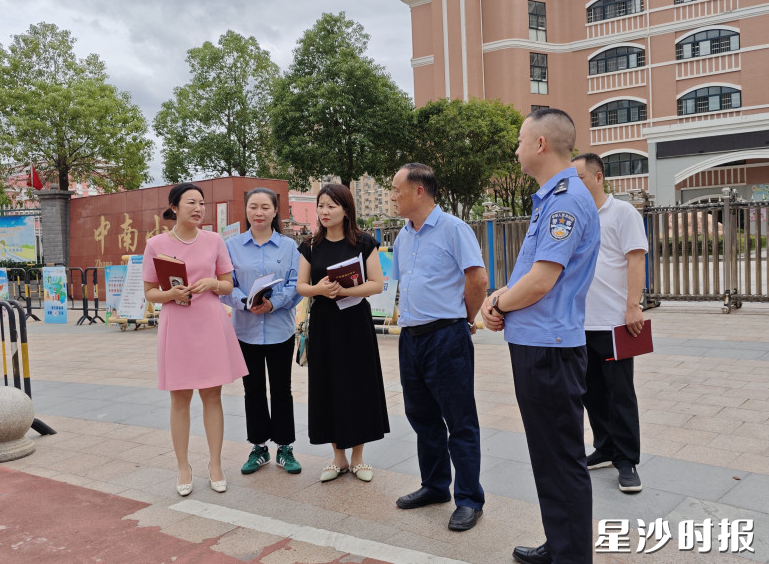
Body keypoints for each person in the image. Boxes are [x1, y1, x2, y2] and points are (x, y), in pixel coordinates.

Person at [481, 109, 600, 564]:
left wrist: (497, 304)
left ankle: (571, 556)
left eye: (519, 139)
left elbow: (542, 281)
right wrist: (503, 297)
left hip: (549, 349)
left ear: (541, 144)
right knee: (549, 455)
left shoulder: (565, 200)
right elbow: (531, 275)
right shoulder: (553, 197)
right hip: (539, 343)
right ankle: (562, 543)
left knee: (561, 458)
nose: (515, 148)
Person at [391, 163, 488, 533]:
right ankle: (434, 486)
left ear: (419, 191)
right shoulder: (403, 236)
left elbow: (477, 278)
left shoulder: (454, 229)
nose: (393, 195)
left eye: (397, 189)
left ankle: (469, 499)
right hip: (411, 338)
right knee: (422, 417)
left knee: (459, 421)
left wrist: (464, 319)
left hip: (447, 337)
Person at [143, 182, 248, 497]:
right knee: (179, 398)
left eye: (201, 203)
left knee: (212, 395)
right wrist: (170, 294)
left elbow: (229, 285)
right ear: (174, 207)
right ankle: (183, 467)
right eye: (191, 202)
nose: (198, 208)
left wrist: (212, 283)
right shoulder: (156, 244)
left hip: (210, 322)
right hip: (177, 324)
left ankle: (215, 464)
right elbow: (149, 291)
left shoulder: (214, 240)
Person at [296, 183, 389, 483]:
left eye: (331, 206)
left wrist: (349, 289)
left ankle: (359, 458)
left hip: (355, 324)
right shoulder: (310, 246)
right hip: (324, 325)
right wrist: (320, 290)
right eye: (321, 205)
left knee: (358, 385)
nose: (324, 211)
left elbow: (377, 283)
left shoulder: (363, 242)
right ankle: (338, 458)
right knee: (329, 385)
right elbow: (301, 287)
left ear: (346, 209)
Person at [572, 153, 648, 494]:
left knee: (620, 394)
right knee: (590, 392)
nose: (575, 185)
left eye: (581, 178)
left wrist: (633, 306)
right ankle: (604, 446)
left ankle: (627, 460)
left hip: (614, 322)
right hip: (578, 323)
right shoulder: (575, 216)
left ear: (599, 177)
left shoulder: (622, 213)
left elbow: (635, 260)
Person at [220, 187, 303, 476]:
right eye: (253, 207)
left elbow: (296, 286)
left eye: (265, 207)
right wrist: (246, 301)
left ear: (275, 211)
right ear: (245, 210)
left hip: (280, 328)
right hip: (245, 330)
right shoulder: (231, 246)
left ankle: (285, 447)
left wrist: (273, 304)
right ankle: (259, 447)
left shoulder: (289, 247)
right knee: (252, 390)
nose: (258, 212)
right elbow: (226, 285)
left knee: (282, 390)